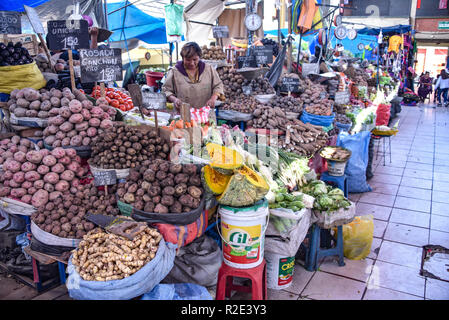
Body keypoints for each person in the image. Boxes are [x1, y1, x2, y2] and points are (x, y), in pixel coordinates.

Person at [162, 42, 224, 110]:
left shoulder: (209, 69)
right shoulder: (174, 72)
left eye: (195, 59)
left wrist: (213, 99)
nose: (191, 63)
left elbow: (218, 85)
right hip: (184, 113)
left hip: (205, 113)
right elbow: (166, 90)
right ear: (183, 58)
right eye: (188, 60)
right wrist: (174, 100)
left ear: (199, 57)